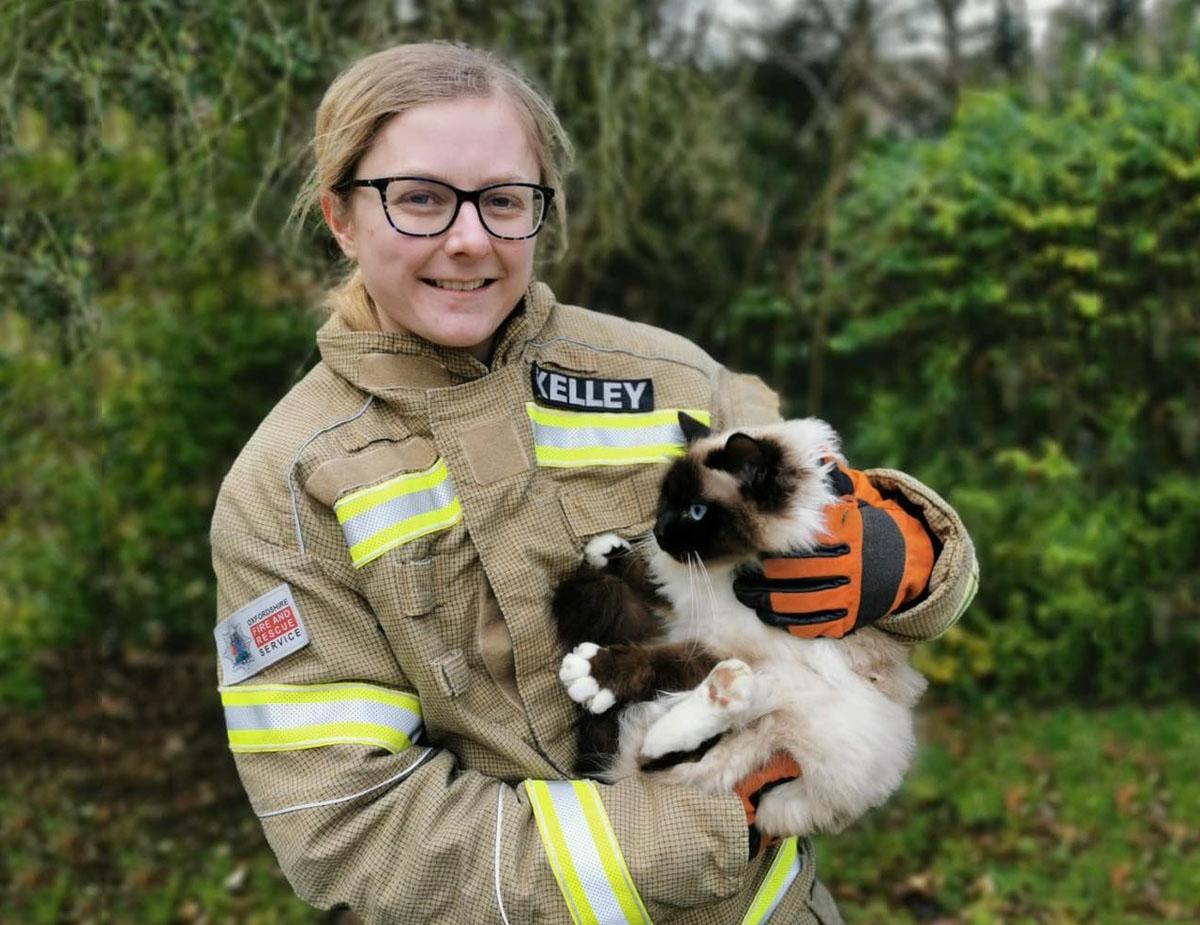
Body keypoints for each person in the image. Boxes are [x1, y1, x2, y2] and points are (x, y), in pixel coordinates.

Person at [211, 42, 978, 925]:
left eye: (504, 200)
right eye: (419, 198)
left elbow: (866, 563)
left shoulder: (668, 376)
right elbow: (347, 825)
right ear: (341, 216)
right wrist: (692, 823)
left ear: (542, 212)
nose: (469, 239)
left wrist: (910, 554)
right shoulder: (287, 486)